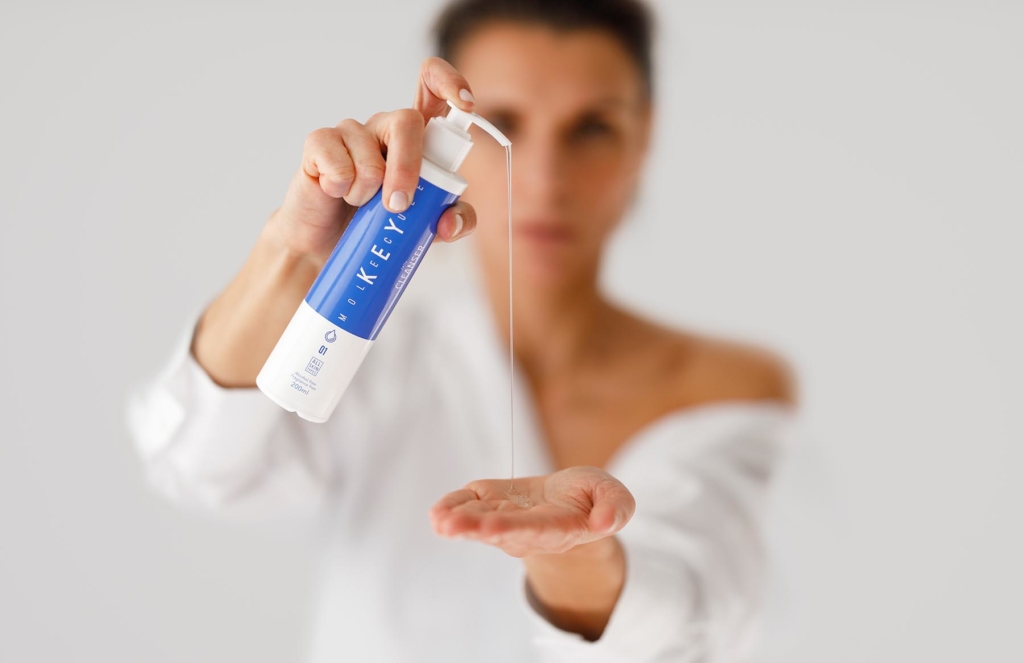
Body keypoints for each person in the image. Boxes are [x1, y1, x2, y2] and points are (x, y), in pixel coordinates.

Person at [127, 0, 796, 660]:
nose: (543, 180)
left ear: (643, 138)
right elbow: (198, 464)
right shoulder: (383, 354)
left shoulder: (727, 385)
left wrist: (577, 555)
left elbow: (704, 608)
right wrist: (294, 252)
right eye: (504, 123)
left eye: (590, 127)